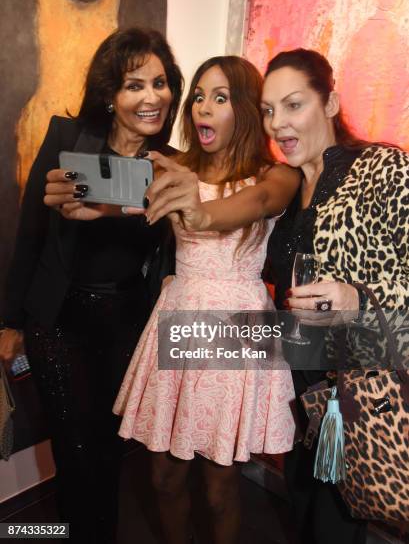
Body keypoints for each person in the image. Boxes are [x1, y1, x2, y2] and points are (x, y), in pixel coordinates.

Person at [132, 49, 409, 544]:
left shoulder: (382, 169)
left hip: (358, 379)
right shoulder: (300, 180)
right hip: (297, 369)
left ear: (330, 103)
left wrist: (358, 300)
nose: (279, 122)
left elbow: (249, 205)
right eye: (269, 109)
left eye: (294, 105)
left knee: (331, 517)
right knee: (300, 508)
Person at [0, 27, 183, 544]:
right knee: (76, 454)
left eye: (160, 82)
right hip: (60, 324)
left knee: (109, 449)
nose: (151, 97)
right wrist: (11, 321)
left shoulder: (170, 164)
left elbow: (172, 251)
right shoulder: (66, 139)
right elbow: (30, 234)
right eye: (134, 85)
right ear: (110, 93)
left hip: (128, 323)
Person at [113, 55, 300, 544]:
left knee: (220, 487)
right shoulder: (175, 169)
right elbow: (117, 201)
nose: (203, 107)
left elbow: (257, 204)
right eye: (198, 95)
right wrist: (84, 204)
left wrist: (199, 214)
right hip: (178, 314)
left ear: (244, 109)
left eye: (220, 97)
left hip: (237, 325)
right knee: (165, 478)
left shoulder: (276, 176)